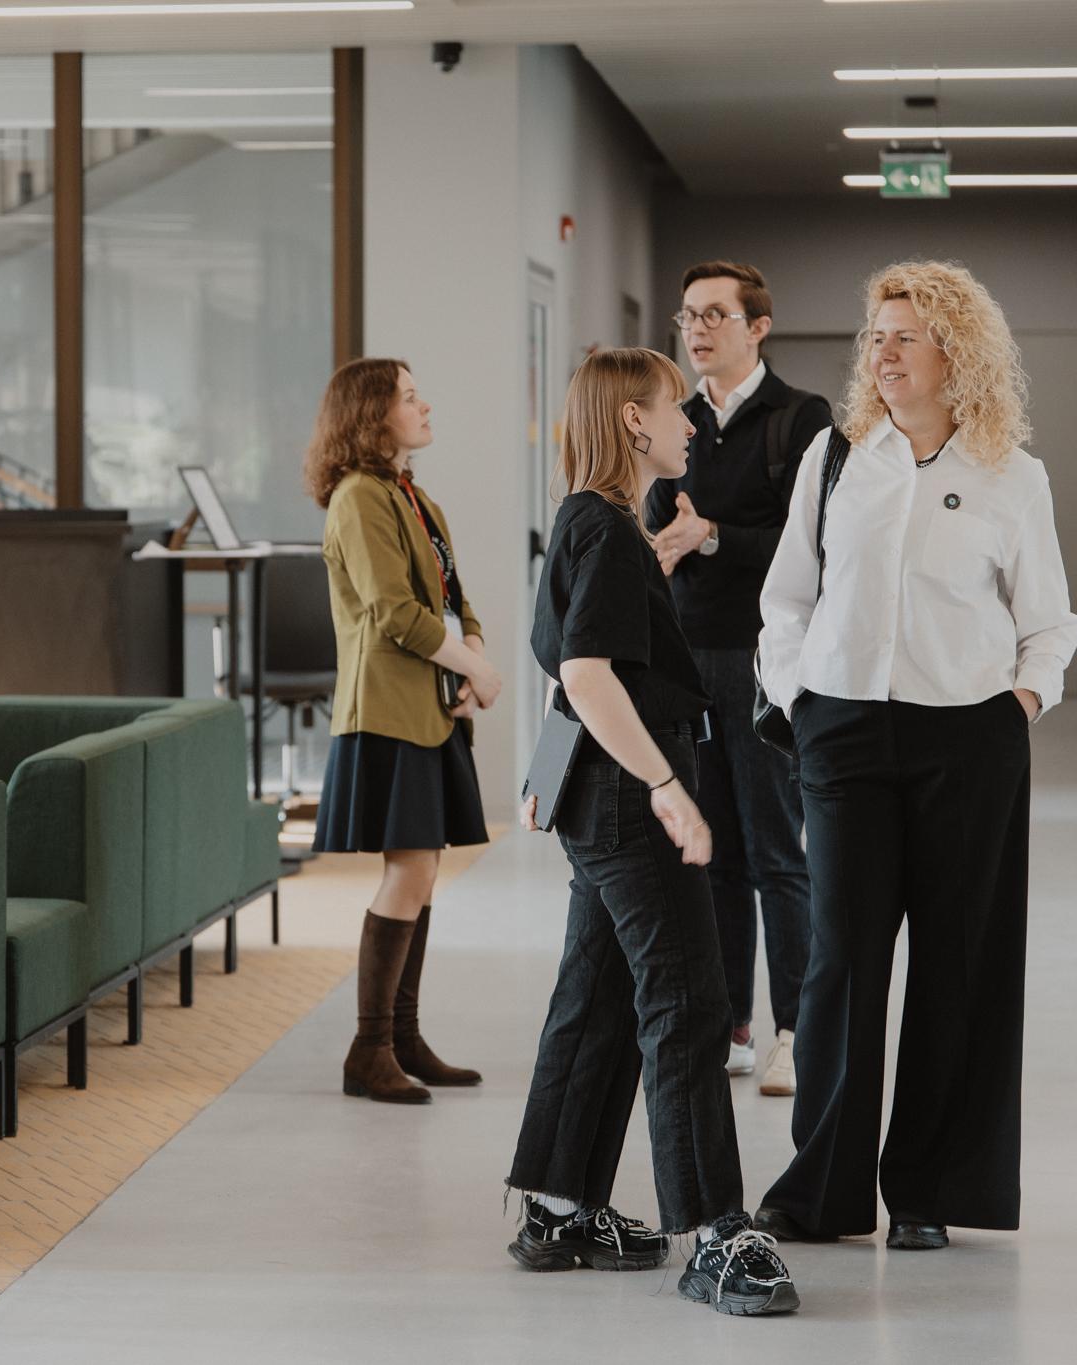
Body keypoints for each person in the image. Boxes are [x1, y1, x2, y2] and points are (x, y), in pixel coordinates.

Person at [752, 261, 1077, 1251]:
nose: (882, 353)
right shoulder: (834, 460)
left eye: (905, 336)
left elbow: (1048, 621)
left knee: (956, 964)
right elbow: (785, 600)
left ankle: (929, 1189)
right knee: (840, 961)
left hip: (966, 742)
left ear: (956, 354)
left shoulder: (1011, 475)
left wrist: (1019, 703)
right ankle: (819, 1192)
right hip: (842, 734)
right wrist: (799, 699)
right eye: (877, 336)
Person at [506, 347, 800, 1317]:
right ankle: (714, 1234)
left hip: (596, 799)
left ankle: (557, 1209)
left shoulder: (588, 520)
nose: (691, 422)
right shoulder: (605, 530)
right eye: (676, 407)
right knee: (686, 1003)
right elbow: (585, 673)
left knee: (595, 995)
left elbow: (566, 668)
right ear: (633, 421)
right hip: (630, 801)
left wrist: (549, 773)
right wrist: (668, 787)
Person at [647, 262, 829, 1096]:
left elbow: (810, 548)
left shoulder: (801, 419)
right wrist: (679, 533)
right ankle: (732, 1023)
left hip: (766, 663)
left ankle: (795, 1029)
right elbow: (660, 523)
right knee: (710, 852)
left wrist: (713, 534)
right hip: (688, 661)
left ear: (758, 326)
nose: (696, 329)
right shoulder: (676, 418)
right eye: (688, 315)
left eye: (714, 314)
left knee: (776, 854)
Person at [306, 357, 502, 1105]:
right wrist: (476, 671)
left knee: (421, 870)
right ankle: (370, 1046)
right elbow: (394, 612)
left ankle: (402, 1036)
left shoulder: (413, 496)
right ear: (372, 415)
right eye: (410, 397)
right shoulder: (359, 497)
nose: (425, 407)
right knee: (409, 870)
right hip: (388, 708)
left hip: (429, 706)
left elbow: (454, 600)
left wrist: (472, 654)